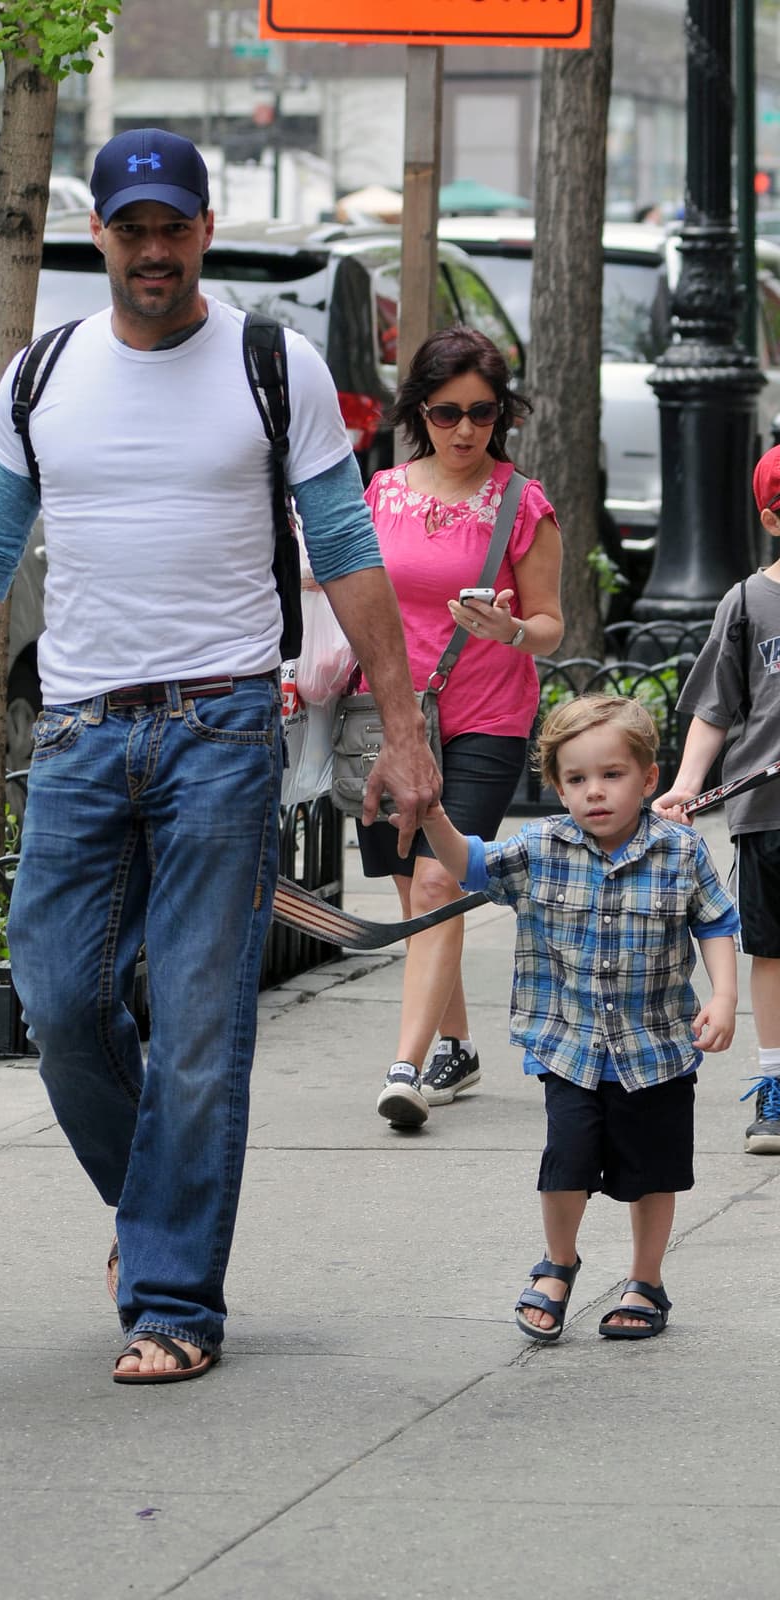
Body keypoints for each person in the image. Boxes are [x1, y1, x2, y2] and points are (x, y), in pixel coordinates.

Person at [0, 127, 439, 1384]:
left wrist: (402, 728)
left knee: (194, 1023)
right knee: (60, 1003)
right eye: (131, 231)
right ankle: (152, 1217)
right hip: (75, 732)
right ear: (99, 236)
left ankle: (173, 1295)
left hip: (221, 730)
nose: (154, 252)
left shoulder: (266, 363)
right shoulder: (43, 372)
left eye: (173, 228)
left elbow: (346, 550)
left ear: (202, 229)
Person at [414, 695, 738, 1341]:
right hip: (569, 1044)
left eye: (612, 775)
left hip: (657, 1048)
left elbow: (717, 922)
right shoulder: (540, 847)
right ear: (558, 787)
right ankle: (558, 1263)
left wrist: (724, 996)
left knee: (653, 1172)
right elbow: (468, 864)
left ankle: (646, 1280)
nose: (595, 792)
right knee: (565, 1161)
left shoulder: (680, 851)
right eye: (577, 779)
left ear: (648, 780)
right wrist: (431, 815)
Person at [358, 327, 564, 1132]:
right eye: (447, 413)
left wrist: (511, 632)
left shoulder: (522, 502)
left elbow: (553, 625)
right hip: (390, 717)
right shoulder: (381, 494)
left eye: (483, 412)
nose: (466, 430)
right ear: (420, 411)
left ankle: (406, 1067)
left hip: (485, 715)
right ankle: (458, 1047)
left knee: (444, 882)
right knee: (413, 891)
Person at [653, 442, 780, 1155]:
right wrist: (686, 786)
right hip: (767, 813)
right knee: (772, 951)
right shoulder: (746, 603)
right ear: (772, 517)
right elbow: (715, 710)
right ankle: (774, 1085)